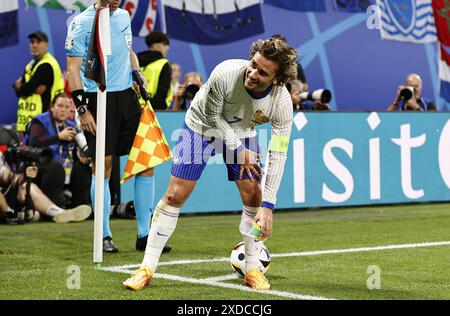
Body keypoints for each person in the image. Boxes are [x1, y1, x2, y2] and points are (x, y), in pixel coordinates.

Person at [123, 37, 298, 291]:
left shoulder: (281, 103)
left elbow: (278, 153)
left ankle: (251, 268)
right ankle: (146, 268)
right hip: (201, 126)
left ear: (277, 79)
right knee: (174, 195)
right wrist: (238, 149)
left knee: (253, 194)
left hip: (243, 130)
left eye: (262, 73)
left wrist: (269, 207)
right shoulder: (225, 73)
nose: (252, 73)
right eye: (253, 65)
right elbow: (214, 117)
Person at [65, 0, 166, 253]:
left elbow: (129, 49)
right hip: (97, 99)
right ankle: (104, 235)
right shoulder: (81, 23)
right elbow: (73, 69)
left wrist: (136, 71)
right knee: (104, 165)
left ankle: (145, 235)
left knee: (146, 162)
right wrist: (82, 109)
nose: (114, 2)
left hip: (127, 98)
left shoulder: (123, 16)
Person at [24, 93, 92, 209]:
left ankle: (80, 206)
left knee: (83, 168)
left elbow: (74, 149)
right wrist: (58, 137)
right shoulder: (40, 121)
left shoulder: (71, 125)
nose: (63, 110)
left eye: (66, 107)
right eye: (60, 106)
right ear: (52, 107)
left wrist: (82, 157)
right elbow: (33, 144)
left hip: (65, 163)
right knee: (56, 168)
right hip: (41, 162)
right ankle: (54, 206)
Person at [0, 150, 91, 224]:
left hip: (6, 197)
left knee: (26, 187)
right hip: (4, 207)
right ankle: (11, 214)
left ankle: (60, 213)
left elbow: (8, 177)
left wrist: (24, 175)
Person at [14, 31, 65, 137]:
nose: (34, 45)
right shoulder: (30, 65)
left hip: (44, 116)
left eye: (38, 42)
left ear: (46, 45)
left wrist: (22, 87)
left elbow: (25, 89)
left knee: (41, 150)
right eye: (32, 42)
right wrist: (19, 87)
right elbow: (21, 91)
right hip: (29, 118)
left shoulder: (47, 65)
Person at [137, 31, 173, 110]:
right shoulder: (164, 64)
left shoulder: (134, 62)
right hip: (154, 113)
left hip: (133, 110)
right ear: (156, 44)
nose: (167, 48)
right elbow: (162, 93)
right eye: (165, 44)